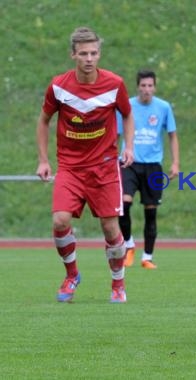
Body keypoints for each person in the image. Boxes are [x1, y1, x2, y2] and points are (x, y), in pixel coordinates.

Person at [36, 26, 134, 303]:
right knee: (59, 220)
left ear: (99, 54)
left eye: (93, 53)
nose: (89, 58)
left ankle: (117, 284)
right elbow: (43, 121)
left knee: (110, 228)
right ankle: (71, 275)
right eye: (83, 53)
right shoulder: (58, 86)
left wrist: (130, 146)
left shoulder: (114, 84)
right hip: (70, 167)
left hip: (104, 167)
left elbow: (127, 115)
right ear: (73, 55)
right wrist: (43, 160)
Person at [117, 70, 179, 270]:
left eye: (150, 86)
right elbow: (117, 134)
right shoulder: (127, 105)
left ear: (155, 87)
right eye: (143, 86)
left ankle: (147, 257)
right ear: (138, 87)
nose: (146, 90)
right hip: (129, 162)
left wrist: (175, 162)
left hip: (153, 166)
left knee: (150, 213)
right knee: (123, 205)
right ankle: (128, 244)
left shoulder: (163, 107)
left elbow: (172, 135)